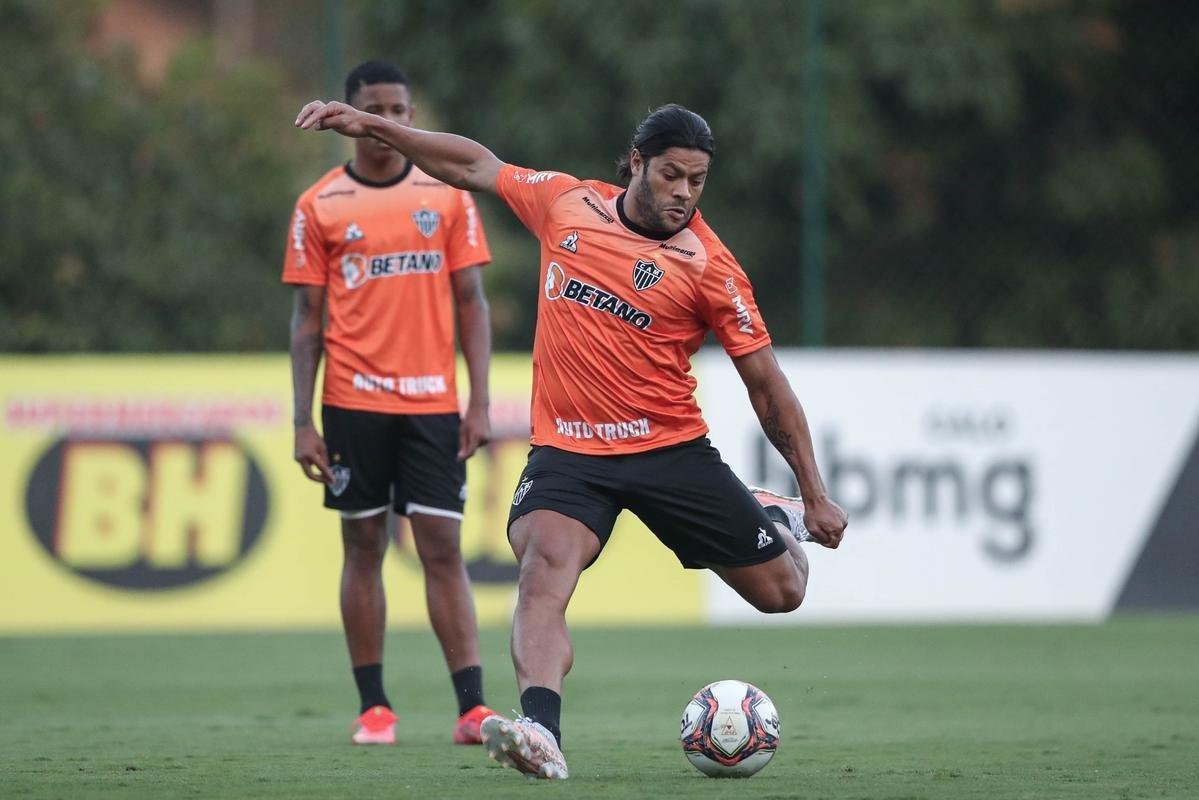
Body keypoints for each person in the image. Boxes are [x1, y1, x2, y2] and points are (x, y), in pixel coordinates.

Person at [294, 97, 848, 778]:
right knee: (541, 573)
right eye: (671, 174)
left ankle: (770, 513)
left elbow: (766, 385)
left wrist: (813, 494)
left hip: (668, 449)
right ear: (636, 163)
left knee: (783, 591)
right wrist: (378, 127)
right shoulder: (566, 204)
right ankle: (540, 731)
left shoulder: (710, 265)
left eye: (697, 180)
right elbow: (473, 165)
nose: (683, 192)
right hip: (570, 454)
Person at [283, 61, 496, 746]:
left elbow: (472, 303)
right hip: (353, 403)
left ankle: (472, 709)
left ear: (411, 115)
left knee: (442, 548)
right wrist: (301, 421)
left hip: (432, 404)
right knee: (363, 545)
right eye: (374, 110)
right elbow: (306, 321)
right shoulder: (319, 204)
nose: (388, 122)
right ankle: (374, 708)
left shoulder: (447, 195)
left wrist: (479, 402)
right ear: (350, 118)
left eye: (399, 109)